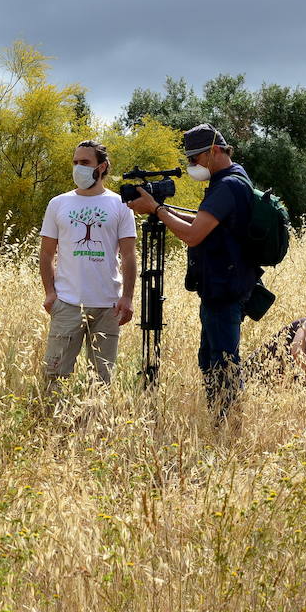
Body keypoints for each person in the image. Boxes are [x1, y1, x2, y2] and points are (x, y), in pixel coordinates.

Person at [124, 124, 257, 421]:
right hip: (224, 283)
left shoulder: (228, 185)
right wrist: (160, 208)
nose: (192, 166)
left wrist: (157, 210)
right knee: (212, 358)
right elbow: (206, 222)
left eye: (194, 159)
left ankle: (228, 422)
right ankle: (221, 418)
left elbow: (194, 235)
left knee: (222, 361)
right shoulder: (233, 179)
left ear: (213, 151)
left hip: (224, 286)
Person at [40, 140, 137, 389]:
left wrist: (127, 297)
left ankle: (94, 426)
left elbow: (128, 255)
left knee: (101, 381)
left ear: (101, 167)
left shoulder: (120, 205)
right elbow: (46, 253)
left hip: (107, 307)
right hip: (68, 304)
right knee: (54, 377)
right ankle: (52, 425)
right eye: (75, 163)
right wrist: (51, 294)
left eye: (85, 163)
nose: (78, 168)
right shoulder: (58, 204)